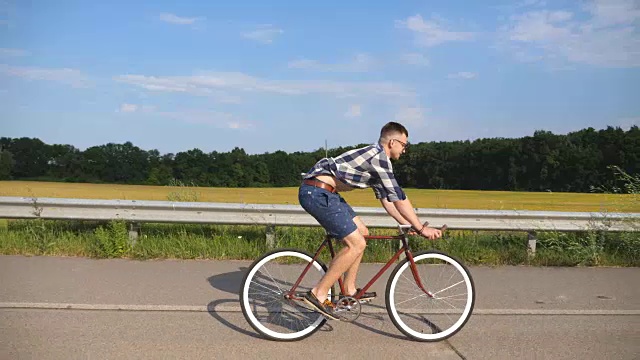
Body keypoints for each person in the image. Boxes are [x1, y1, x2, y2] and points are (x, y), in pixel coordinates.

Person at [298, 121, 442, 319]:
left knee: (362, 233)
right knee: (355, 244)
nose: (405, 150)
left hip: (325, 192)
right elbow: (399, 197)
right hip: (316, 192)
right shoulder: (378, 158)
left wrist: (406, 224)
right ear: (392, 142)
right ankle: (318, 293)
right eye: (404, 145)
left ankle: (348, 291)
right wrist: (420, 228)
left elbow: (388, 200)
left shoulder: (380, 162)